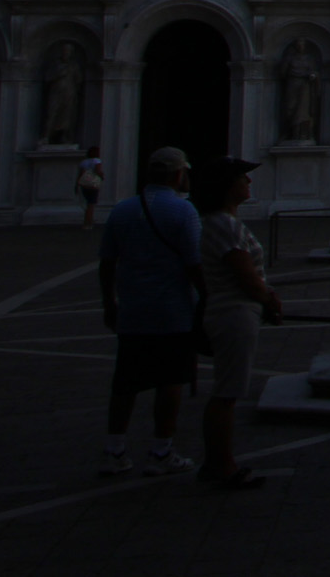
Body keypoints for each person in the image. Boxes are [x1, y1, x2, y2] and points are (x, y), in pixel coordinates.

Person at [97, 146, 201, 476]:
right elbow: (194, 263)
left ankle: (115, 450)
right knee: (170, 381)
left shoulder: (122, 210)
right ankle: (161, 450)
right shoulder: (183, 211)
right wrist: (208, 299)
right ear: (177, 174)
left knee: (125, 382)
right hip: (173, 311)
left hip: (133, 309)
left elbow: (106, 263)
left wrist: (109, 303)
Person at [197, 158, 282, 489]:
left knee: (228, 390)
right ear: (226, 185)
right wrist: (269, 299)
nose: (248, 180)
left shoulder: (223, 222)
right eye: (241, 176)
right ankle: (221, 465)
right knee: (227, 392)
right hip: (234, 311)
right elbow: (245, 274)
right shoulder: (223, 225)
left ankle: (220, 462)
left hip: (235, 310)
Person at [76, 146, 105, 227]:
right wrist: (102, 176)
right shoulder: (97, 161)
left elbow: (80, 174)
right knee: (91, 204)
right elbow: (98, 171)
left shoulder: (84, 162)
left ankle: (86, 221)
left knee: (87, 204)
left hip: (84, 184)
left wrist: (77, 184)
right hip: (93, 184)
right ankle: (89, 222)